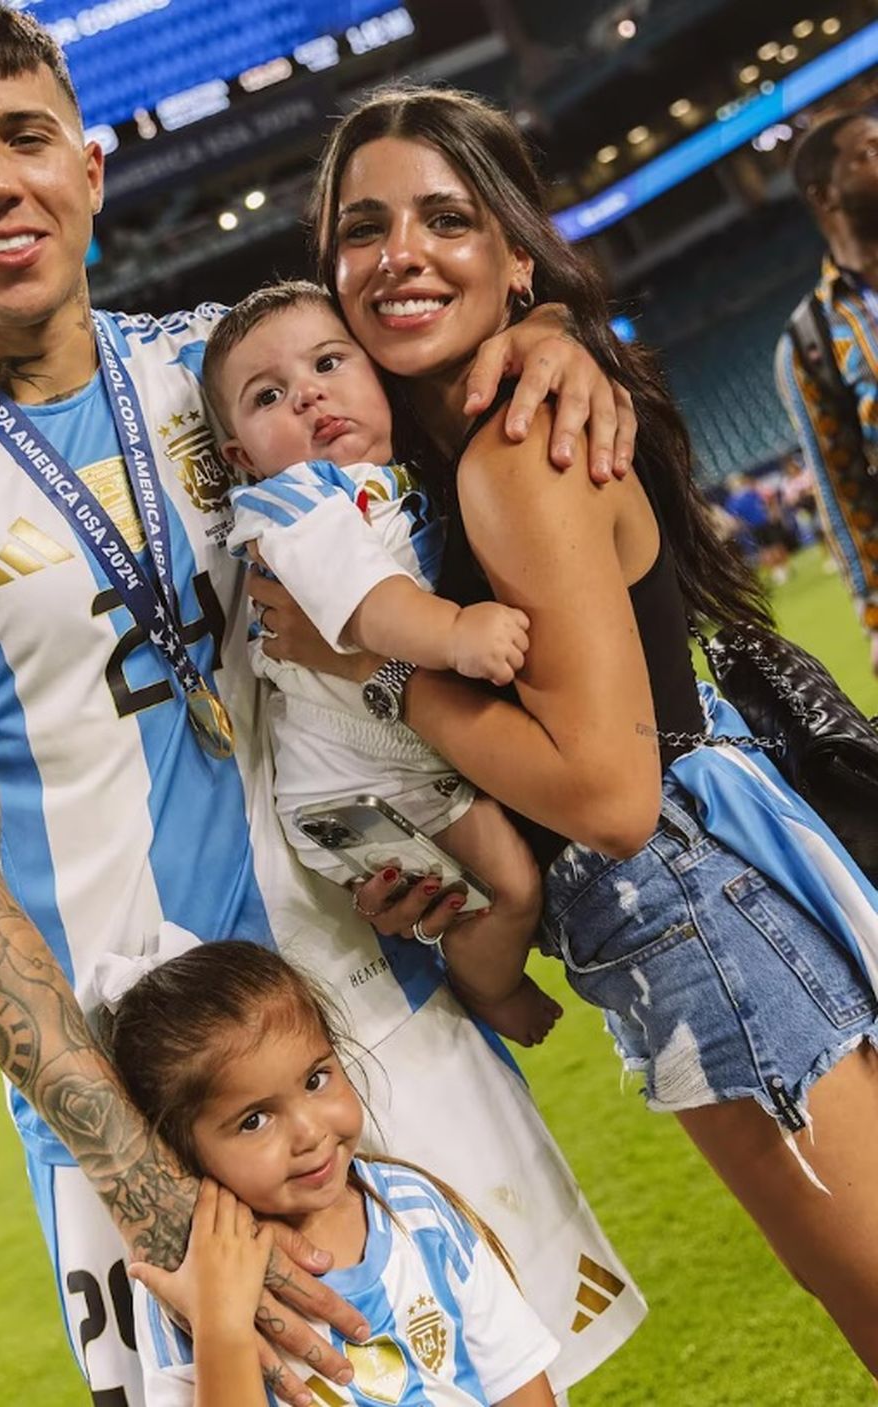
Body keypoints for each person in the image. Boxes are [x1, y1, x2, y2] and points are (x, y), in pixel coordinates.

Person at [0, 7, 644, 1401]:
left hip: (372, 1011)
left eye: (23, 135)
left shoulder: (220, 362)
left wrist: (550, 329)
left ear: (92, 163)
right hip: (154, 1107)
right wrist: (153, 1196)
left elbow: (437, 351)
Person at [269, 83, 878, 1370]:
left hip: (693, 914)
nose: (400, 255)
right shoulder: (470, 445)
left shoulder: (511, 455)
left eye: (445, 218)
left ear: (511, 251)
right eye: (363, 227)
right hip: (708, 902)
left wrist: (378, 671)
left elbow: (606, 798)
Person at [204, 281, 560, 1045]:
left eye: (329, 363)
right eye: (269, 396)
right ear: (241, 455)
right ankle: (493, 989)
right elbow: (365, 601)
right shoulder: (291, 503)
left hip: (402, 755)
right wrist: (458, 631)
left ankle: (484, 975)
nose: (308, 396)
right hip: (350, 780)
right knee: (513, 889)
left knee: (510, 883)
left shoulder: (404, 477)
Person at [101, 931, 558, 1406]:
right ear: (179, 1148)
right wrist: (221, 1322)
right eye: (254, 1120)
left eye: (316, 1080)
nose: (309, 1133)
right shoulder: (182, 1281)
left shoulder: (417, 1207)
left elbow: (518, 1382)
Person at [774, 109, 878, 676]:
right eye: (870, 152)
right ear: (825, 195)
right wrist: (873, 613)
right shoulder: (809, 343)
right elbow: (844, 492)